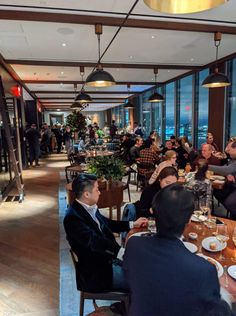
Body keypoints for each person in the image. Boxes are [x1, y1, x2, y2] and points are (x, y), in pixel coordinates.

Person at [123, 184, 223, 316]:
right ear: (188, 220)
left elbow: (130, 278)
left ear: (153, 212)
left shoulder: (133, 244)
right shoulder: (204, 270)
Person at [63, 173, 147, 292]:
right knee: (143, 279)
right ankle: (128, 307)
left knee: (143, 267)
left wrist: (132, 224)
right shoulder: (72, 218)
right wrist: (121, 252)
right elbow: (95, 242)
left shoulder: (88, 207)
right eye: (97, 189)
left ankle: (129, 305)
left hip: (107, 261)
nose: (100, 192)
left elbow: (107, 224)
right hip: (97, 274)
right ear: (87, 194)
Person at [209, 140, 236, 219]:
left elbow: (226, 169)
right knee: (217, 192)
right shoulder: (233, 159)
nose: (227, 151)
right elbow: (227, 168)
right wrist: (230, 173)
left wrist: (207, 166)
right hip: (233, 185)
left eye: (229, 149)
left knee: (230, 202)